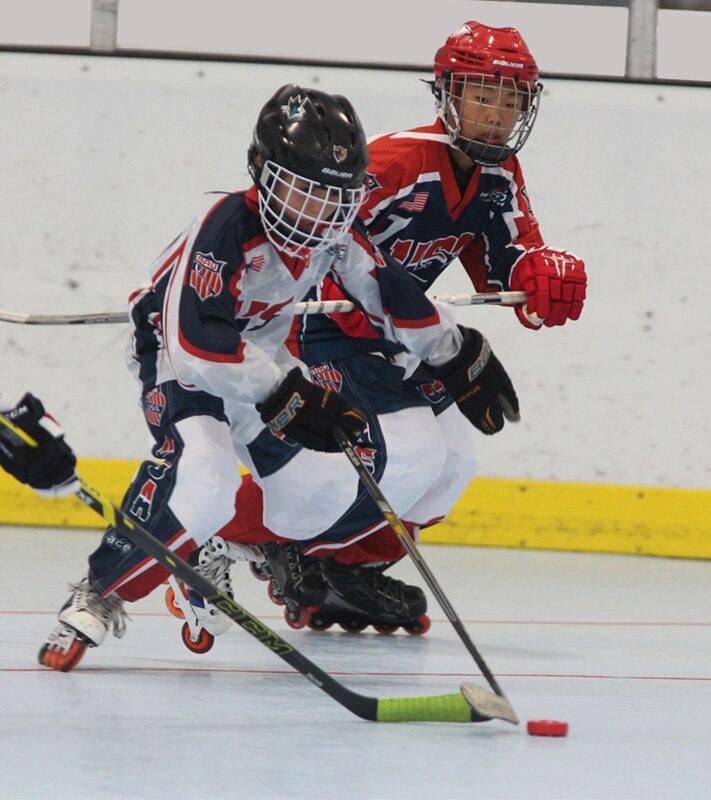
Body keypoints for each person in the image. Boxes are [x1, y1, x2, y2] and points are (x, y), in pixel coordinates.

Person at [16, 82, 519, 671]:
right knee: (203, 476)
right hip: (178, 364)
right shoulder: (225, 224)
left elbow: (385, 289)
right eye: (305, 192)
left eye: (336, 197)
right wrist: (282, 391)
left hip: (261, 365)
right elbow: (197, 342)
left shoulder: (333, 235)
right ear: (263, 174)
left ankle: (213, 541)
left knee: (320, 491)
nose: (321, 212)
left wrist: (452, 353)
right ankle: (101, 590)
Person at [195, 21, 586, 636]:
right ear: (447, 95)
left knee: (450, 468)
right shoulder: (401, 158)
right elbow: (317, 221)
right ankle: (215, 534)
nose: (497, 114)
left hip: (398, 338)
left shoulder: (501, 175)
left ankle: (339, 570)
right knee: (408, 456)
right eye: (483, 95)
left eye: (512, 100)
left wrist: (540, 276)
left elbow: (504, 264)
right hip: (322, 329)